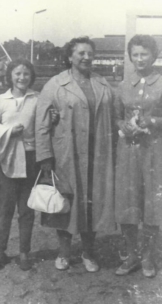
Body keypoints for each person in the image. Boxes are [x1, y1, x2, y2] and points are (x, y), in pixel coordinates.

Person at [35, 36, 116, 272]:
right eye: (81, 53)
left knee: (93, 203)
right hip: (67, 155)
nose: (86, 57)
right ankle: (63, 253)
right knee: (66, 203)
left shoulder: (102, 83)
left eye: (90, 53)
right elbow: (41, 124)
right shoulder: (55, 85)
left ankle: (88, 253)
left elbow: (116, 114)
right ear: (70, 56)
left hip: (96, 155)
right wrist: (45, 157)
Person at [0, 59, 39, 271]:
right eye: (17, 74)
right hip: (7, 159)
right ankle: (0, 252)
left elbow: (45, 125)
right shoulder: (1, 100)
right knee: (5, 208)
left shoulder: (37, 99)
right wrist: (7, 132)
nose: (22, 78)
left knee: (26, 209)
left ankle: (24, 252)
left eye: (26, 74)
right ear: (10, 76)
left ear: (31, 76)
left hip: (30, 158)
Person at [115, 35, 162, 278]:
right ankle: (132, 255)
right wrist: (124, 124)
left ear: (154, 56)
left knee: (153, 206)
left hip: (155, 152)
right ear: (130, 56)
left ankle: (148, 257)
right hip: (129, 152)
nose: (140, 59)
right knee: (128, 203)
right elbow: (117, 116)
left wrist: (153, 121)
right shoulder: (124, 85)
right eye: (135, 54)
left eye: (145, 54)